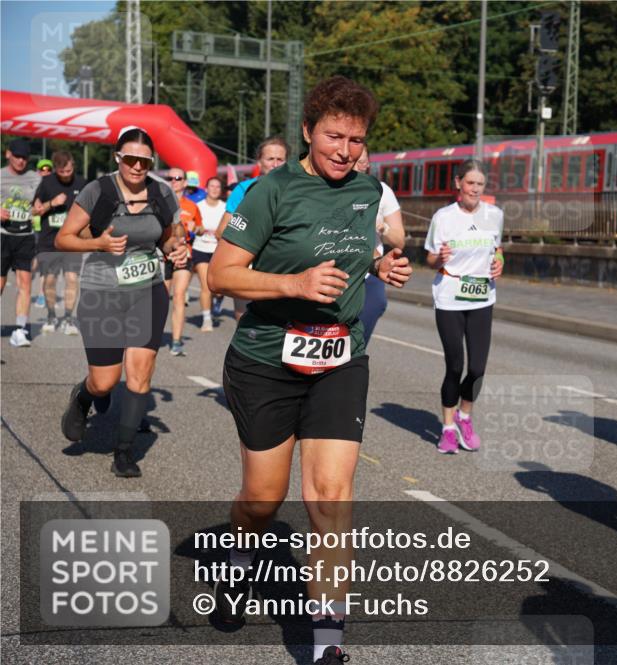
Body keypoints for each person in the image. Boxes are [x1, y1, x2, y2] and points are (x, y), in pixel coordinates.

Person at [207, 76, 412, 665]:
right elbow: (221, 275)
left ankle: (327, 645)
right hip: (266, 360)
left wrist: (381, 266)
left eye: (356, 139)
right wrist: (292, 284)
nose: (345, 150)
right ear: (307, 131)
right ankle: (238, 560)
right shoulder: (271, 191)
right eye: (333, 136)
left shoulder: (367, 192)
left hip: (339, 356)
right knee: (262, 500)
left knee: (330, 498)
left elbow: (351, 249)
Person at [56, 126, 187, 478]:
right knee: (104, 382)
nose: (137, 167)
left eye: (144, 161)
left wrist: (178, 249)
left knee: (140, 374)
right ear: (118, 157)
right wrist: (98, 244)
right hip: (102, 293)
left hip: (147, 290)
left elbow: (169, 238)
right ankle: (83, 398)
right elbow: (63, 239)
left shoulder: (161, 193)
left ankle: (125, 452)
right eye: (130, 159)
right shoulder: (98, 190)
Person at [425, 159, 505, 454]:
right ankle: (447, 428)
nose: (474, 189)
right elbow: (430, 259)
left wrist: (499, 264)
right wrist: (440, 258)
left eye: (480, 184)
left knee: (478, 368)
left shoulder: (494, 215)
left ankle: (465, 416)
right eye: (470, 183)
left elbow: (498, 249)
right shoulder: (443, 217)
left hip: (483, 296)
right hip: (449, 295)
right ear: (459, 183)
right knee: (455, 364)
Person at [216, 136, 289, 321]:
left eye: (280, 159)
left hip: (284, 267)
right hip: (248, 266)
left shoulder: (298, 189)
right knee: (245, 322)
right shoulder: (244, 189)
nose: (275, 164)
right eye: (270, 159)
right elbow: (222, 229)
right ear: (259, 162)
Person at [32, 150, 87, 335]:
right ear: (56, 170)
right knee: (49, 280)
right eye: (62, 172)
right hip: (49, 241)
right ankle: (51, 315)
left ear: (73, 165)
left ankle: (69, 318)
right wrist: (52, 203)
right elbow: (35, 211)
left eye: (69, 171)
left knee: (72, 279)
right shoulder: (46, 183)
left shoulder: (82, 183)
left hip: (72, 241)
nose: (66, 175)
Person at [354, 147, 404, 344]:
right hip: (338, 275)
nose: (358, 165)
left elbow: (399, 241)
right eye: (354, 160)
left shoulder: (382, 191)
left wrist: (381, 226)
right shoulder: (331, 188)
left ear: (368, 165)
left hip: (370, 275)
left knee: (357, 346)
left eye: (362, 161)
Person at [1, 138, 43, 347]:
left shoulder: (35, 178)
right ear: (8, 154)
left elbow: (37, 202)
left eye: (25, 158)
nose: (21, 161)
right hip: (2, 236)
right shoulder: (0, 175)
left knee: (25, 283)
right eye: (17, 156)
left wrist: (40, 207)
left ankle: (20, 330)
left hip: (25, 236)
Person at [164, 166, 202, 356]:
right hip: (163, 256)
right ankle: (152, 336)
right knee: (161, 299)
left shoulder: (191, 206)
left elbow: (200, 228)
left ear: (185, 183)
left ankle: (176, 340)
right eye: (169, 178)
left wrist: (197, 229)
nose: (173, 181)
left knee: (179, 296)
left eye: (178, 178)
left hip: (184, 255)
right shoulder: (159, 203)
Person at [192, 176, 225, 331]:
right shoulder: (198, 206)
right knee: (206, 285)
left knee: (217, 288)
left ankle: (218, 299)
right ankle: (207, 319)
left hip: (219, 251)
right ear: (206, 188)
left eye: (218, 187)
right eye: (211, 186)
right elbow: (193, 227)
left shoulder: (226, 208)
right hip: (201, 249)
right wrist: (197, 229)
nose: (214, 189)